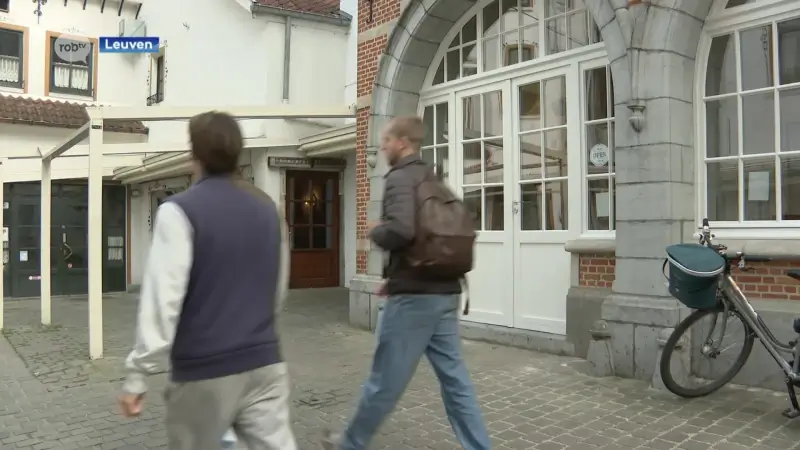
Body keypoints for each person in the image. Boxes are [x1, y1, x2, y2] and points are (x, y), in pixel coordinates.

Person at [118, 111, 296, 450]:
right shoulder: (269, 210)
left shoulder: (180, 211)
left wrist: (138, 375)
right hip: (265, 364)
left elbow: (162, 300)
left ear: (194, 154)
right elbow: (277, 290)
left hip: (205, 368)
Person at [323, 116, 492, 450]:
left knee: (384, 382)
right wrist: (394, 276)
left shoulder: (400, 178)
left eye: (386, 140)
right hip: (444, 293)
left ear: (402, 142)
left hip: (414, 299)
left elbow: (401, 231)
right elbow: (424, 237)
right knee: (456, 382)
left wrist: (374, 229)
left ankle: (350, 444)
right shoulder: (431, 177)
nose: (382, 147)